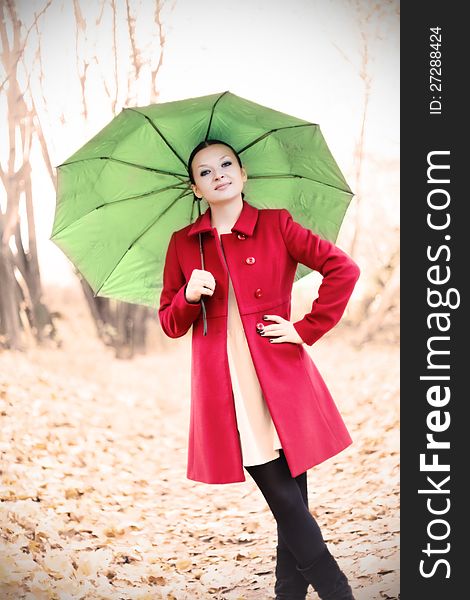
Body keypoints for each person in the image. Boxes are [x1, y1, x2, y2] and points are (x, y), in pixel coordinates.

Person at [159, 139, 360, 600]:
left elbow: (342, 269)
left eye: (226, 164)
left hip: (280, 375)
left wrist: (305, 328)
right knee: (286, 499)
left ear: (243, 174)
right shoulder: (183, 245)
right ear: (195, 188)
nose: (219, 175)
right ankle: (337, 590)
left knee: (295, 503)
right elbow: (169, 322)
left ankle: (288, 594)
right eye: (205, 172)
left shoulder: (277, 225)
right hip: (227, 384)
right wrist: (189, 296)